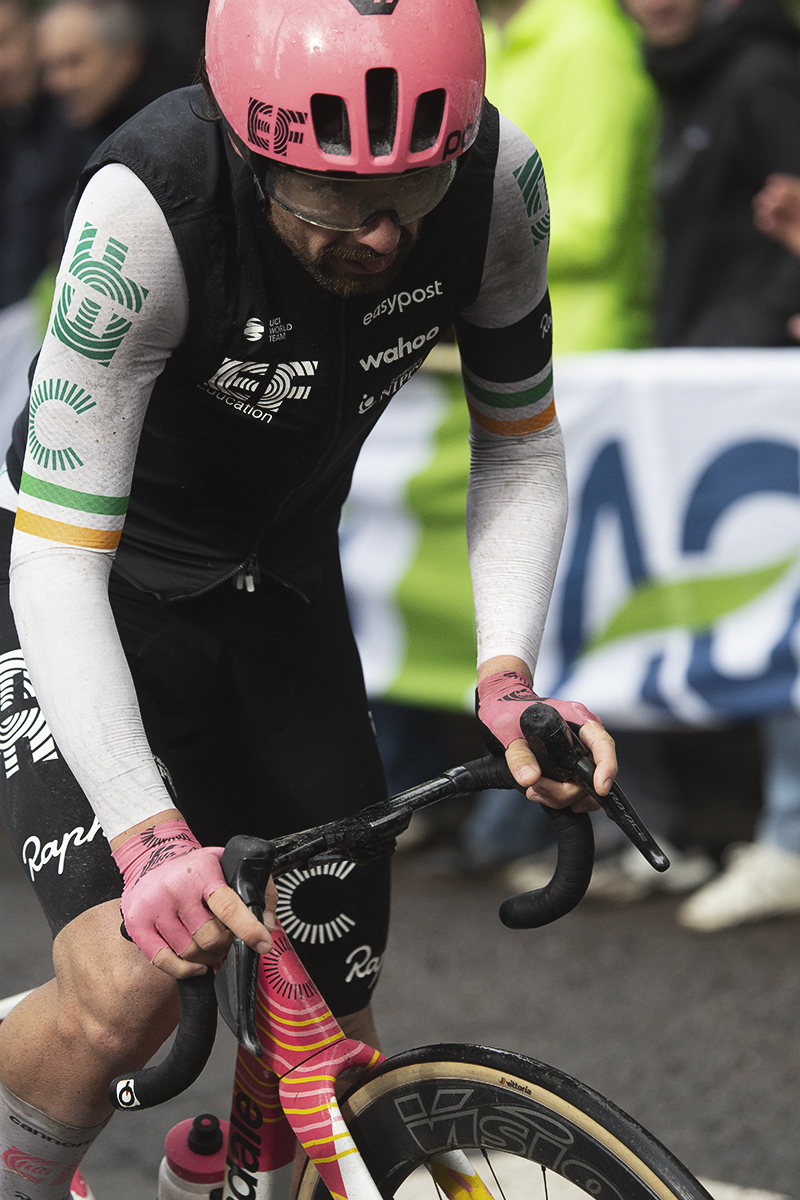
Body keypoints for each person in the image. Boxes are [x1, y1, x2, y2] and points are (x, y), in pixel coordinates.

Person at [0, 0, 618, 1194]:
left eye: (410, 193)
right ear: (247, 144)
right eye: (332, 201)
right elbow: (58, 557)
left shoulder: (495, 181)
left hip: (278, 583)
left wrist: (505, 681)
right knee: (129, 992)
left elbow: (521, 450)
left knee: (330, 1024)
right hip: (93, 589)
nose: (384, 236)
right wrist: (149, 834)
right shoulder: (147, 210)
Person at [624, 0, 800, 931]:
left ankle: (788, 835)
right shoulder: (690, 75)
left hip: (751, 389)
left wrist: (734, 349)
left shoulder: (760, 74)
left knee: (781, 605)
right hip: (717, 378)